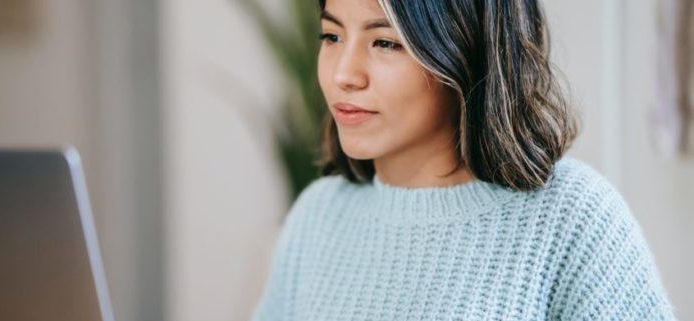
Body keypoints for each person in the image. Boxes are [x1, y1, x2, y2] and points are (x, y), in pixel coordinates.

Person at [251, 0, 679, 320]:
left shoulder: (571, 218)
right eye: (332, 36)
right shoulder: (318, 216)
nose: (344, 73)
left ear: (465, 49)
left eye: (384, 42)